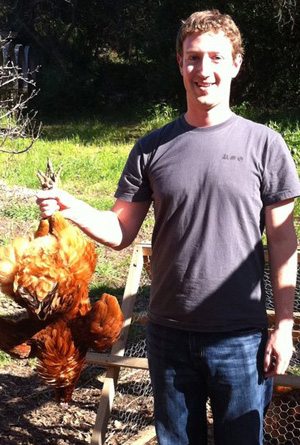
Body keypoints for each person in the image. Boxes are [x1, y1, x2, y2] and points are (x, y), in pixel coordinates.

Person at [36, 9, 300, 445]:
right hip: (169, 336)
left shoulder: (265, 145)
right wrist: (72, 207)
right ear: (179, 64)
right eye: (193, 58)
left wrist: (284, 326)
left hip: (240, 338)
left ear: (236, 62)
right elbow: (121, 232)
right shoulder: (152, 147)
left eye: (216, 57)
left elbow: (284, 241)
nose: (204, 70)